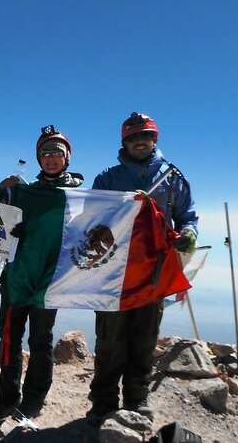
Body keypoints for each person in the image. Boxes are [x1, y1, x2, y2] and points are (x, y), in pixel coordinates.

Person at [87, 112, 198, 425]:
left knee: (144, 338)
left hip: (154, 272)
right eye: (133, 137)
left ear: (155, 139)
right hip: (112, 274)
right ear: (125, 142)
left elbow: (188, 217)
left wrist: (189, 233)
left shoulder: (173, 178)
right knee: (109, 339)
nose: (139, 142)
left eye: (145, 136)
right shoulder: (107, 178)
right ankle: (104, 400)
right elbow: (88, 217)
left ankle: (137, 398)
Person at [0, 125, 84, 421]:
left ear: (67, 157)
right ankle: (6, 397)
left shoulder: (79, 196)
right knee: (10, 339)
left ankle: (34, 400)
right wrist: (2, 194)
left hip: (51, 280)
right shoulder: (24, 191)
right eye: (45, 153)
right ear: (38, 158)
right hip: (17, 275)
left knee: (40, 341)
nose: (51, 158)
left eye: (57, 152)